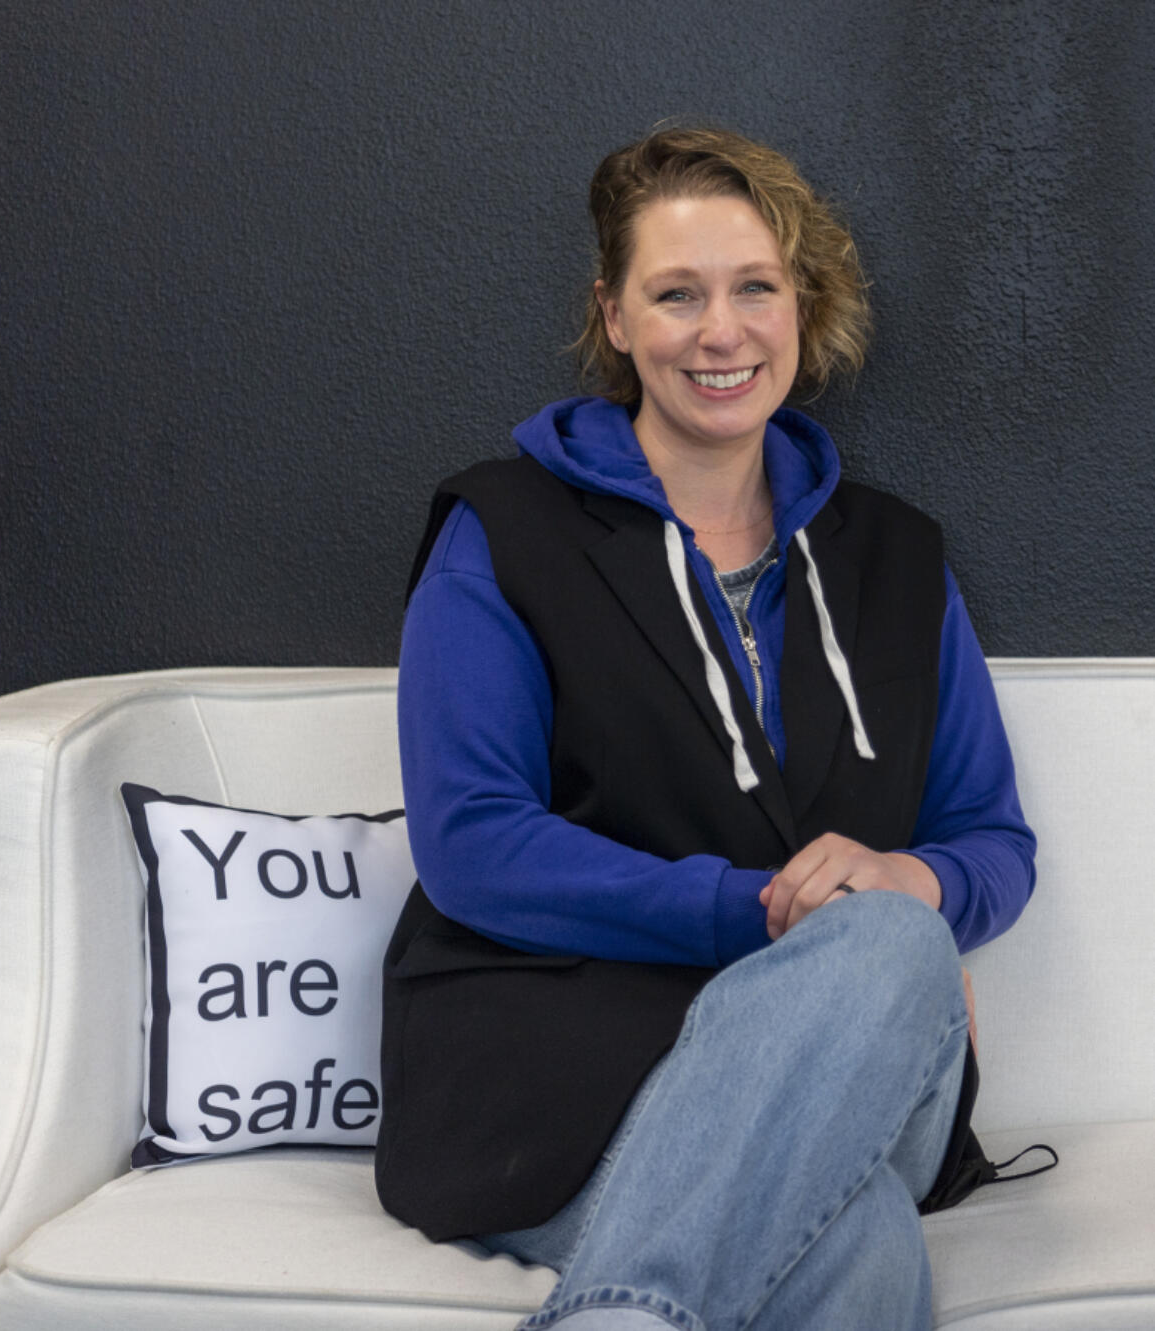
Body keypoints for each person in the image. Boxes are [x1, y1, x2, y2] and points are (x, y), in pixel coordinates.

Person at [375, 126, 1036, 1330]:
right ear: (614, 317)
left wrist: (903, 887)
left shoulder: (895, 556)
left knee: (894, 938)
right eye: (674, 294)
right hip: (555, 1078)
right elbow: (473, 841)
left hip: (848, 1058)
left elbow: (988, 838)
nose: (719, 332)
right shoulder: (504, 529)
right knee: (864, 1249)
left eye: (753, 289)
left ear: (801, 304)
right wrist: (765, 912)